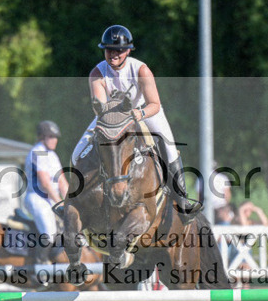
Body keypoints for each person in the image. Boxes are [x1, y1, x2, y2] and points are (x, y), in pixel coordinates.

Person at [72, 24, 201, 223]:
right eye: (109, 50)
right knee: (77, 153)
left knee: (169, 146)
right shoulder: (96, 74)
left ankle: (182, 201)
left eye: (118, 50)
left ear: (128, 50)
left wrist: (136, 114)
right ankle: (74, 198)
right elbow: (100, 107)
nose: (113, 54)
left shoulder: (141, 70)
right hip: (110, 116)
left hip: (144, 111)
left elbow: (155, 104)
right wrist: (117, 119)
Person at [22, 120, 70, 264]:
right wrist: (60, 202)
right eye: (51, 137)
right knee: (49, 231)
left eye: (56, 137)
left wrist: (71, 201)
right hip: (37, 198)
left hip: (51, 199)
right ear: (42, 137)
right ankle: (40, 263)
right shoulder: (37, 152)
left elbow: (62, 181)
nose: (55, 140)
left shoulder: (53, 156)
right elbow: (45, 183)